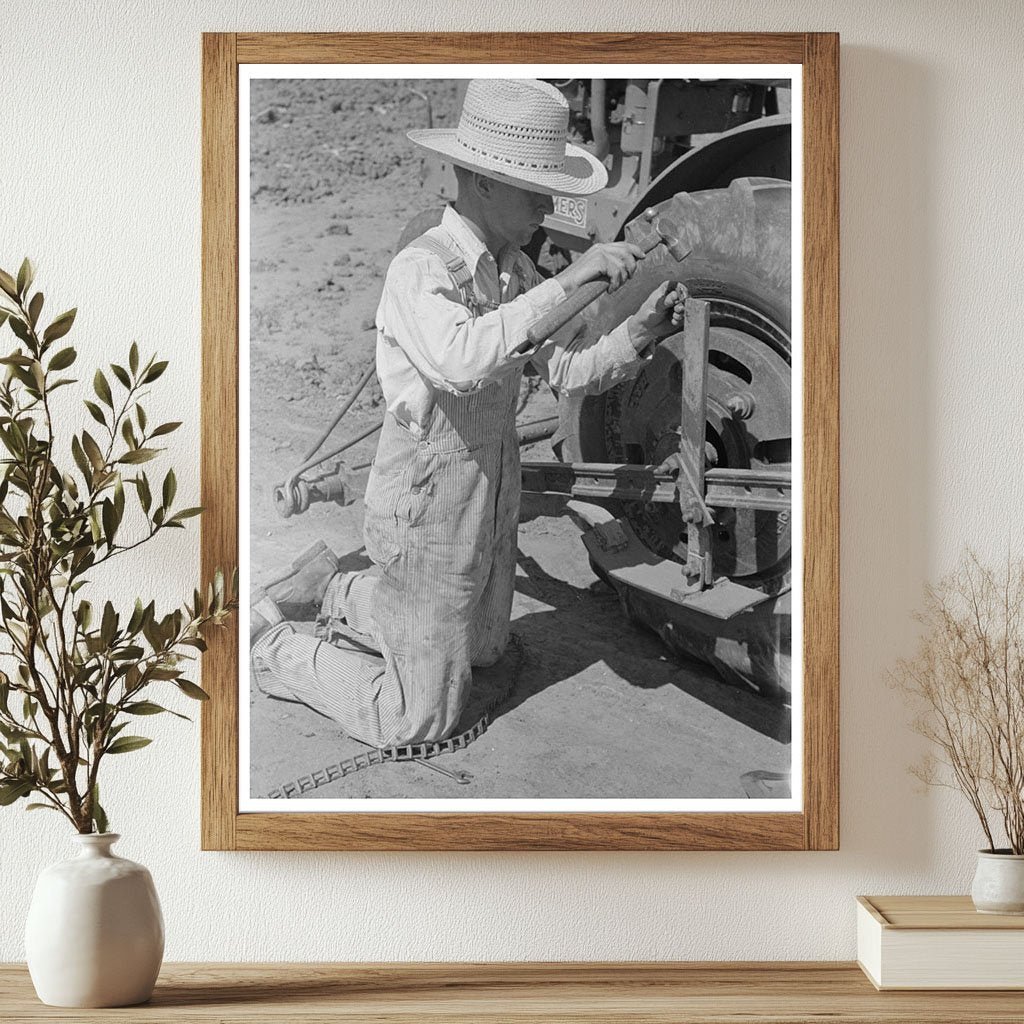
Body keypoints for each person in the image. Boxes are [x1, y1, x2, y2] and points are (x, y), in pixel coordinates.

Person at [250, 78, 687, 748]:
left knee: (484, 650)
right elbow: (463, 363)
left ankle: (335, 590)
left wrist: (640, 334)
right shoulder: (420, 271)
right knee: (418, 716)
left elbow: (567, 371)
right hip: (424, 506)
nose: (549, 203)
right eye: (535, 187)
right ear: (481, 180)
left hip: (486, 498)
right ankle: (270, 644)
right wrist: (575, 280)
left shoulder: (511, 274)